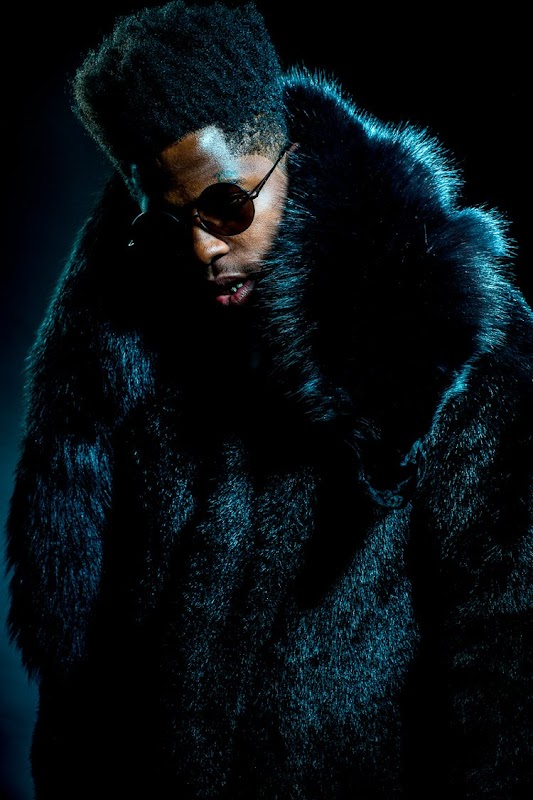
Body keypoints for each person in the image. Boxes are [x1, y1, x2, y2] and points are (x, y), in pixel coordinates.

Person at [5, 1, 533, 797]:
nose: (202, 248)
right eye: (171, 221)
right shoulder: (129, 337)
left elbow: (507, 643)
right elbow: (90, 636)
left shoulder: (446, 336)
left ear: (287, 157)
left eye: (226, 207)